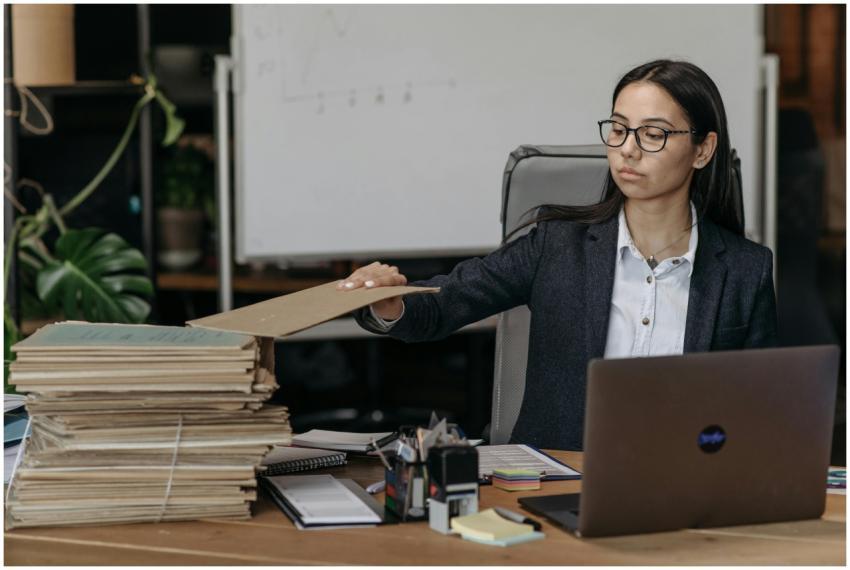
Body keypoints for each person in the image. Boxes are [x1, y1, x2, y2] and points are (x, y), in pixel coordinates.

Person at [337, 59, 778, 450]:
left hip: (685, 486)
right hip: (560, 484)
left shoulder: (744, 269)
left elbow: (760, 409)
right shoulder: (556, 245)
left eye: (653, 134)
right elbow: (441, 305)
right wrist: (389, 305)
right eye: (620, 129)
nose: (627, 148)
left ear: (702, 149)